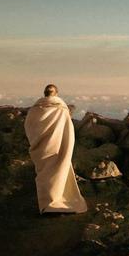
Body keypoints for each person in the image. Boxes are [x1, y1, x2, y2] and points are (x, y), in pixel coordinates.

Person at [23, 84, 87, 214]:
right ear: (56, 94)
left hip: (40, 148)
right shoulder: (61, 109)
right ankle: (54, 202)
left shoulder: (34, 110)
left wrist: (36, 141)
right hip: (57, 148)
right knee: (56, 173)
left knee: (43, 173)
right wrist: (65, 146)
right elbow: (68, 129)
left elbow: (28, 126)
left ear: (45, 93)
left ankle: (45, 204)